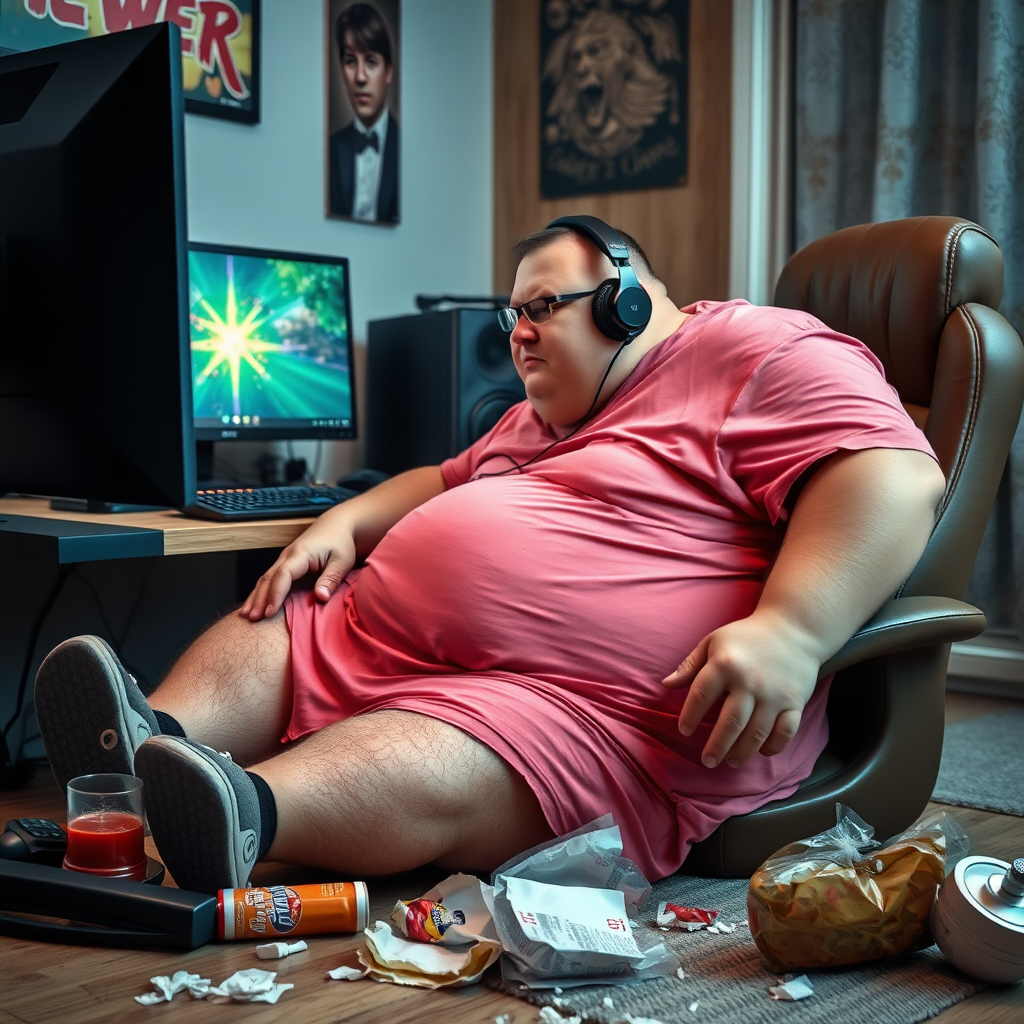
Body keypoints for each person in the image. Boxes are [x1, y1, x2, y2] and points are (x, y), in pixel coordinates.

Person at [33, 219, 946, 895]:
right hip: (398, 648)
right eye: (512, 315)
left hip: (588, 716)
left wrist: (791, 629)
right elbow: (441, 477)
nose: (516, 334)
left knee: (464, 732)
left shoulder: (755, 349)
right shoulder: (541, 420)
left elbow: (894, 478)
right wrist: (347, 521)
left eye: (542, 307)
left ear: (628, 298)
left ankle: (240, 813)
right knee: (293, 609)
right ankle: (146, 746)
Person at [327, 2, 399, 223]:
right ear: (341, 70)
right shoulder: (330, 149)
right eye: (350, 61)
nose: (360, 77)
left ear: (387, 72)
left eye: (370, 62)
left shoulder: (409, 149)